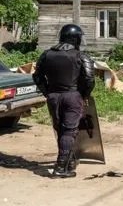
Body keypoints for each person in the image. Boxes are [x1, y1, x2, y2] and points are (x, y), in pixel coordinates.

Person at [32, 24, 96, 178]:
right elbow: (89, 79)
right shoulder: (81, 56)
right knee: (69, 131)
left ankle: (70, 161)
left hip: (53, 96)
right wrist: (84, 95)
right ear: (76, 38)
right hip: (72, 96)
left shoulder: (46, 54)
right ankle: (60, 168)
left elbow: (37, 77)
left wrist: (47, 92)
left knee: (60, 129)